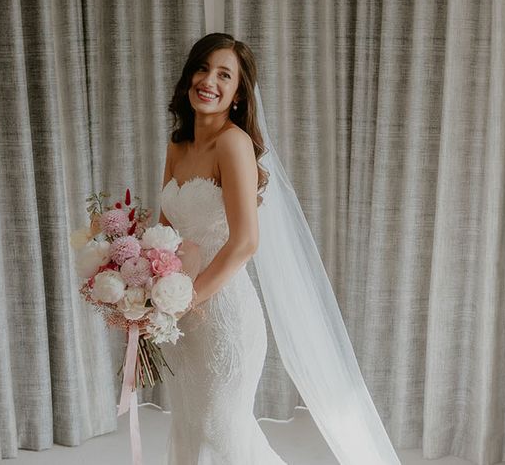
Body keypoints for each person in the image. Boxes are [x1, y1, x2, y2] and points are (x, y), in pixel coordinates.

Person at [157, 32, 401, 464]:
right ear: (188, 77)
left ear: (236, 94)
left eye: (223, 74)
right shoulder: (178, 145)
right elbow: (166, 232)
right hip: (178, 324)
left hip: (221, 321)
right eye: (202, 67)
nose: (208, 80)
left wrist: (186, 300)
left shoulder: (233, 144)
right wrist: (143, 288)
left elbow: (245, 241)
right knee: (190, 426)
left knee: (222, 433)